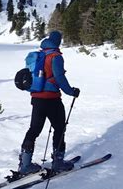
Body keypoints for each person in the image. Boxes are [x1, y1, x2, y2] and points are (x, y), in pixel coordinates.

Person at [18, 31, 80, 175]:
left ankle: (25, 164)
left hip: (36, 98)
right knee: (59, 128)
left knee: (34, 130)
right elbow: (59, 77)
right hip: (52, 99)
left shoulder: (38, 55)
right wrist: (71, 92)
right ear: (58, 42)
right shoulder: (55, 56)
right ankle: (58, 161)